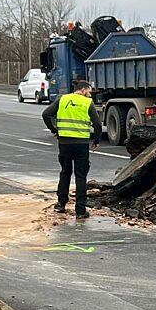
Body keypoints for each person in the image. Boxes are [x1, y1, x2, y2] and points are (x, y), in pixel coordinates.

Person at [42, 79, 102, 218]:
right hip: (81, 144)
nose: (90, 95)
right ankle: (80, 211)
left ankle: (61, 204)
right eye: (89, 92)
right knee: (81, 176)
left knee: (65, 172)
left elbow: (46, 114)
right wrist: (96, 141)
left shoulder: (62, 99)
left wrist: (54, 130)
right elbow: (97, 125)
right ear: (83, 90)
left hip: (64, 143)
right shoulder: (87, 103)